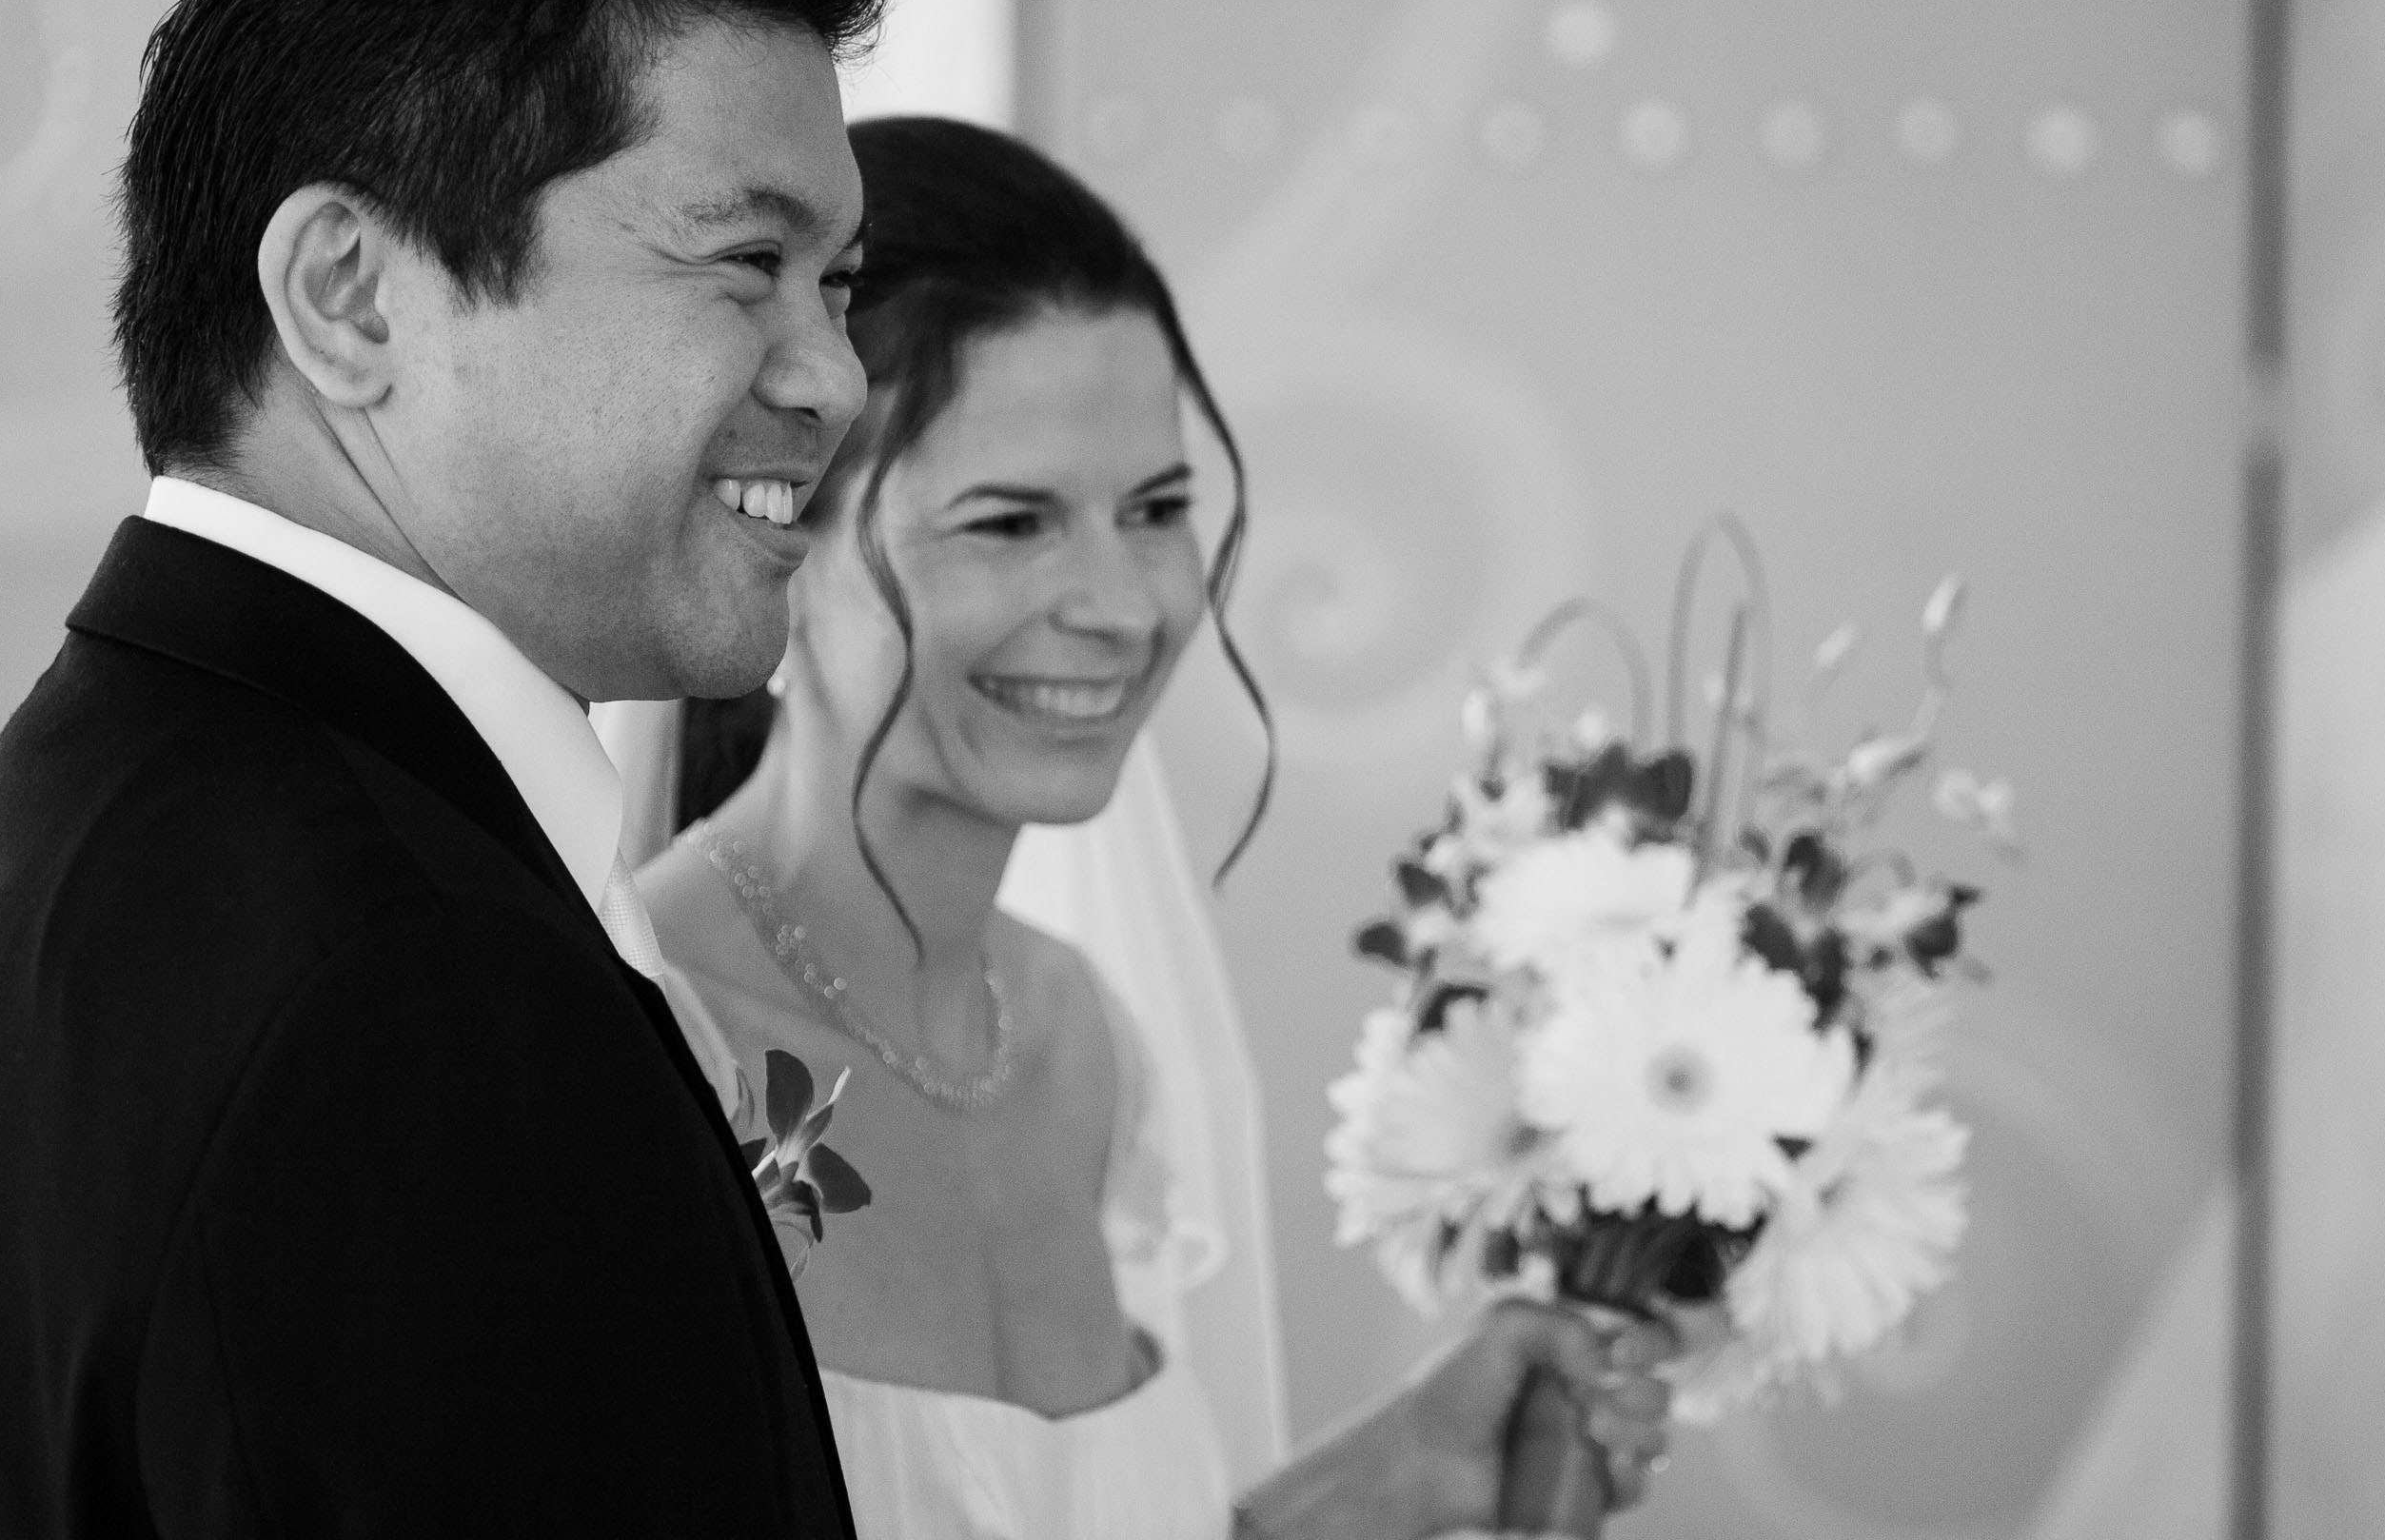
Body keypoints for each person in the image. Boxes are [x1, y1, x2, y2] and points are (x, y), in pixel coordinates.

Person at [0, 0, 885, 1533]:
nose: (833, 376)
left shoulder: (136, 795)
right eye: (749, 262)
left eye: (842, 282)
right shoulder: (410, 981)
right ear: (350, 292)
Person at [626, 114, 1676, 1540]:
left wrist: (1388, 1479)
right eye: (1012, 523)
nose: (1121, 605)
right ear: (780, 538)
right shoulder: (643, 1053)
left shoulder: (1084, 1049)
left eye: (1157, 508)